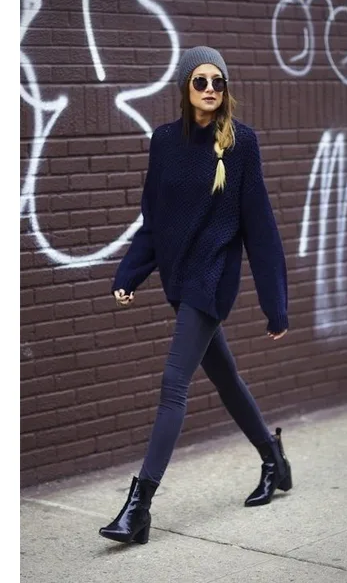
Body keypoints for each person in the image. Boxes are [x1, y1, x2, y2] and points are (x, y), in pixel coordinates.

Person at [99, 46, 292, 545]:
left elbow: (261, 229)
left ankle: (138, 508)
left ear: (226, 89)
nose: (210, 89)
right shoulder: (164, 142)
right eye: (200, 81)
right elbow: (154, 220)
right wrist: (129, 274)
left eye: (218, 82)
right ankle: (274, 459)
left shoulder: (241, 144)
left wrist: (275, 304)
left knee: (173, 385)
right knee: (225, 378)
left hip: (211, 281)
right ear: (185, 87)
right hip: (178, 279)